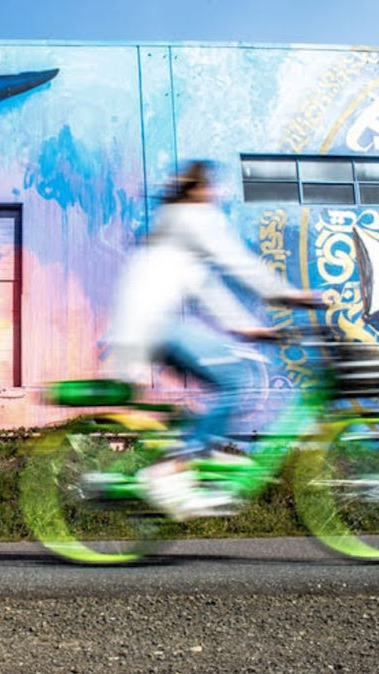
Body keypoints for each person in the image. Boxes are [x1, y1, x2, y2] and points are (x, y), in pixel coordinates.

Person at [105, 161, 318, 520]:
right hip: (155, 326)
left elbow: (206, 287)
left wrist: (249, 328)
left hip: (145, 328)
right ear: (201, 189)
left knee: (236, 376)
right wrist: (291, 294)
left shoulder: (174, 229)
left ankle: (195, 452)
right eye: (215, 187)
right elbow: (237, 263)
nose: (220, 194)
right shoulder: (193, 217)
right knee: (237, 379)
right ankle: (175, 467)